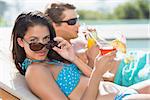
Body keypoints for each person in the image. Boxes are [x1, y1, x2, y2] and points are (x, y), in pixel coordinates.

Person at [11, 11, 150, 100]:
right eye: (34, 43)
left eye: (47, 41)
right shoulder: (35, 71)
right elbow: (96, 77)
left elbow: (100, 79)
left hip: (122, 91)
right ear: (20, 42)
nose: (42, 48)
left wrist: (73, 58)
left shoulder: (50, 61)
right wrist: (97, 71)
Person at [44, 2, 99, 68]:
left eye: (77, 20)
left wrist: (94, 40)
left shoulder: (81, 43)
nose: (78, 25)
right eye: (72, 21)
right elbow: (90, 77)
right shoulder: (51, 54)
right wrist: (92, 59)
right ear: (53, 24)